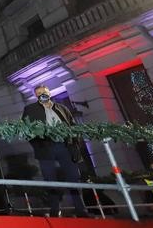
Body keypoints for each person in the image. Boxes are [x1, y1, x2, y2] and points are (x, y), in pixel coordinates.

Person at [21, 84, 90, 218]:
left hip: (65, 146)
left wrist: (75, 143)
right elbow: (26, 129)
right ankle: (55, 209)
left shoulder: (62, 108)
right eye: (39, 93)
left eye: (44, 92)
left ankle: (81, 210)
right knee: (49, 178)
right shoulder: (30, 109)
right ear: (36, 96)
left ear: (49, 93)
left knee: (73, 177)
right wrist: (37, 144)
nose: (42, 95)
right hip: (45, 147)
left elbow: (73, 126)